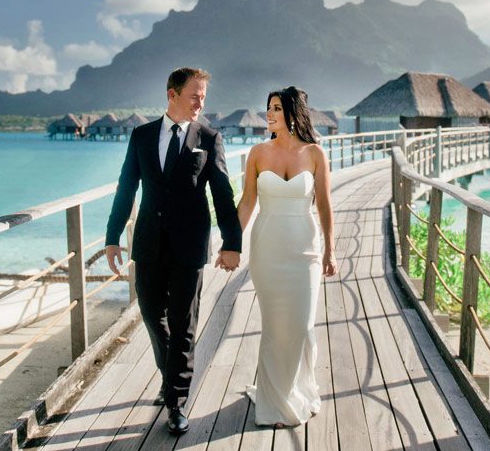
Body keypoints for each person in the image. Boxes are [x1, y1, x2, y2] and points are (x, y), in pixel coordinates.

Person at [104, 68, 242, 436]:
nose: (201, 103)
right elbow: (125, 188)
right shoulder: (142, 135)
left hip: (190, 245)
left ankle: (176, 403)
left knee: (184, 324)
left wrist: (232, 243)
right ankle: (171, 378)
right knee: (151, 314)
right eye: (195, 95)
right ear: (172, 94)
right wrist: (112, 235)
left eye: (204, 96)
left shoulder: (209, 138)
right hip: (148, 243)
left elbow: (223, 195)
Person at [237, 86, 337, 427]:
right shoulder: (257, 153)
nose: (269, 113)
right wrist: (232, 244)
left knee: (302, 324)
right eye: (268, 107)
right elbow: (248, 202)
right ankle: (276, 400)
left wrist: (331, 250)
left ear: (293, 113)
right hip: (267, 248)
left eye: (276, 108)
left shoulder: (315, 154)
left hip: (305, 249)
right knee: (276, 325)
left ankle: (300, 387)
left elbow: (324, 204)